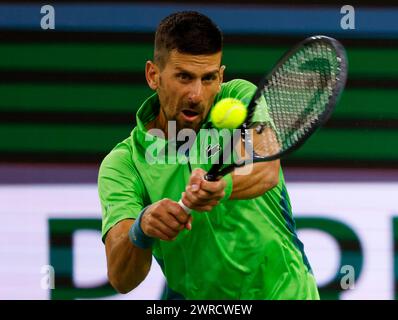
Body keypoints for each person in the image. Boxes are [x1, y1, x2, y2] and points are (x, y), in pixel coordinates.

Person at [98, 11, 319, 300]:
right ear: (154, 75)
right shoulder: (124, 164)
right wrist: (142, 227)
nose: (196, 94)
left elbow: (266, 168)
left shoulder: (239, 97)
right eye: (184, 77)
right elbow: (121, 278)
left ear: (221, 76)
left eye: (208, 78)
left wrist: (221, 187)